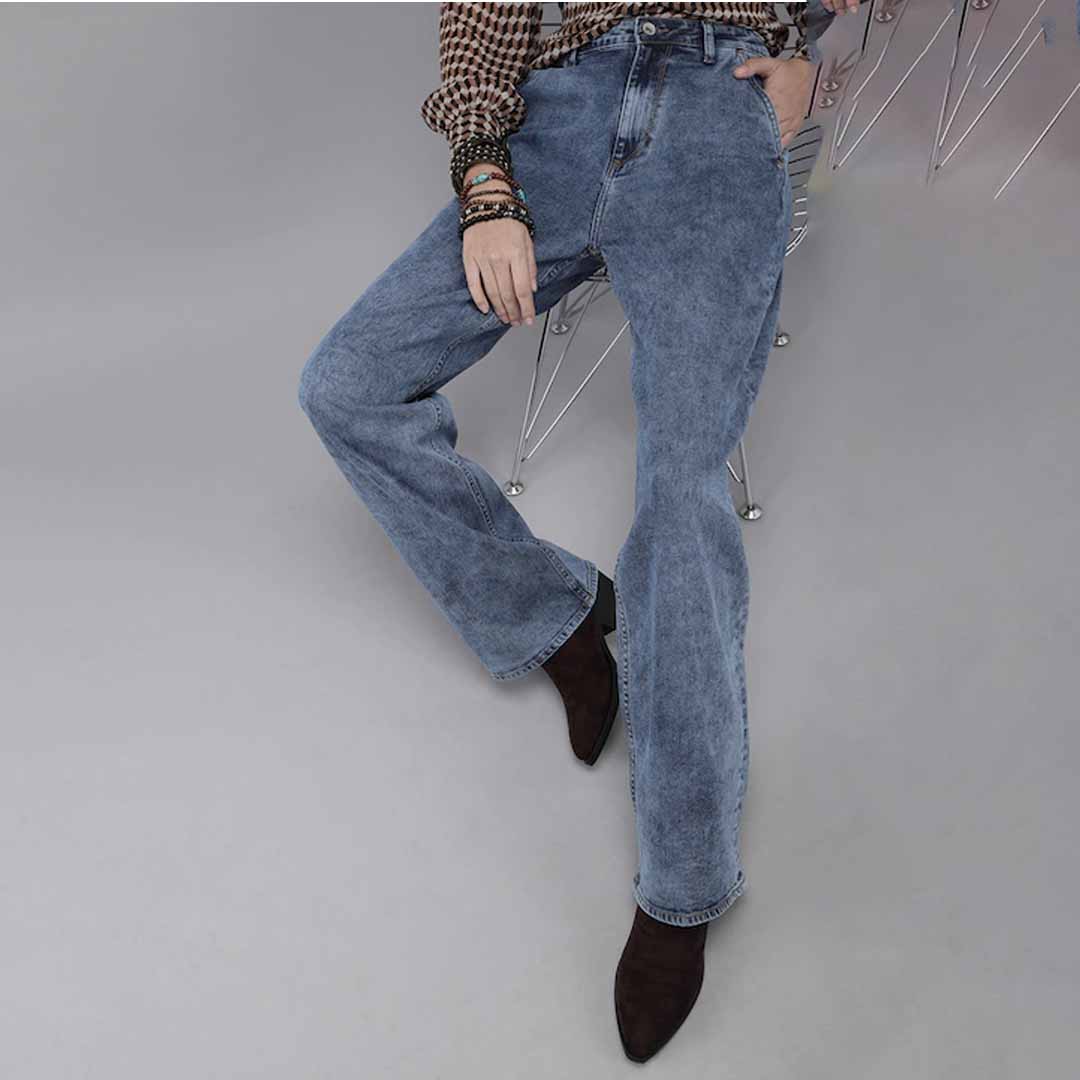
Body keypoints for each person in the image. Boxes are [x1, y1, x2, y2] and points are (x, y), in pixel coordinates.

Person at [298, 0, 851, 1064]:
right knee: (349, 387)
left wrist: (803, 55)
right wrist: (487, 188)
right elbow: (483, 20)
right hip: (562, 107)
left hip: (717, 109)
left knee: (680, 494)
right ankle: (558, 619)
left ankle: (683, 886)